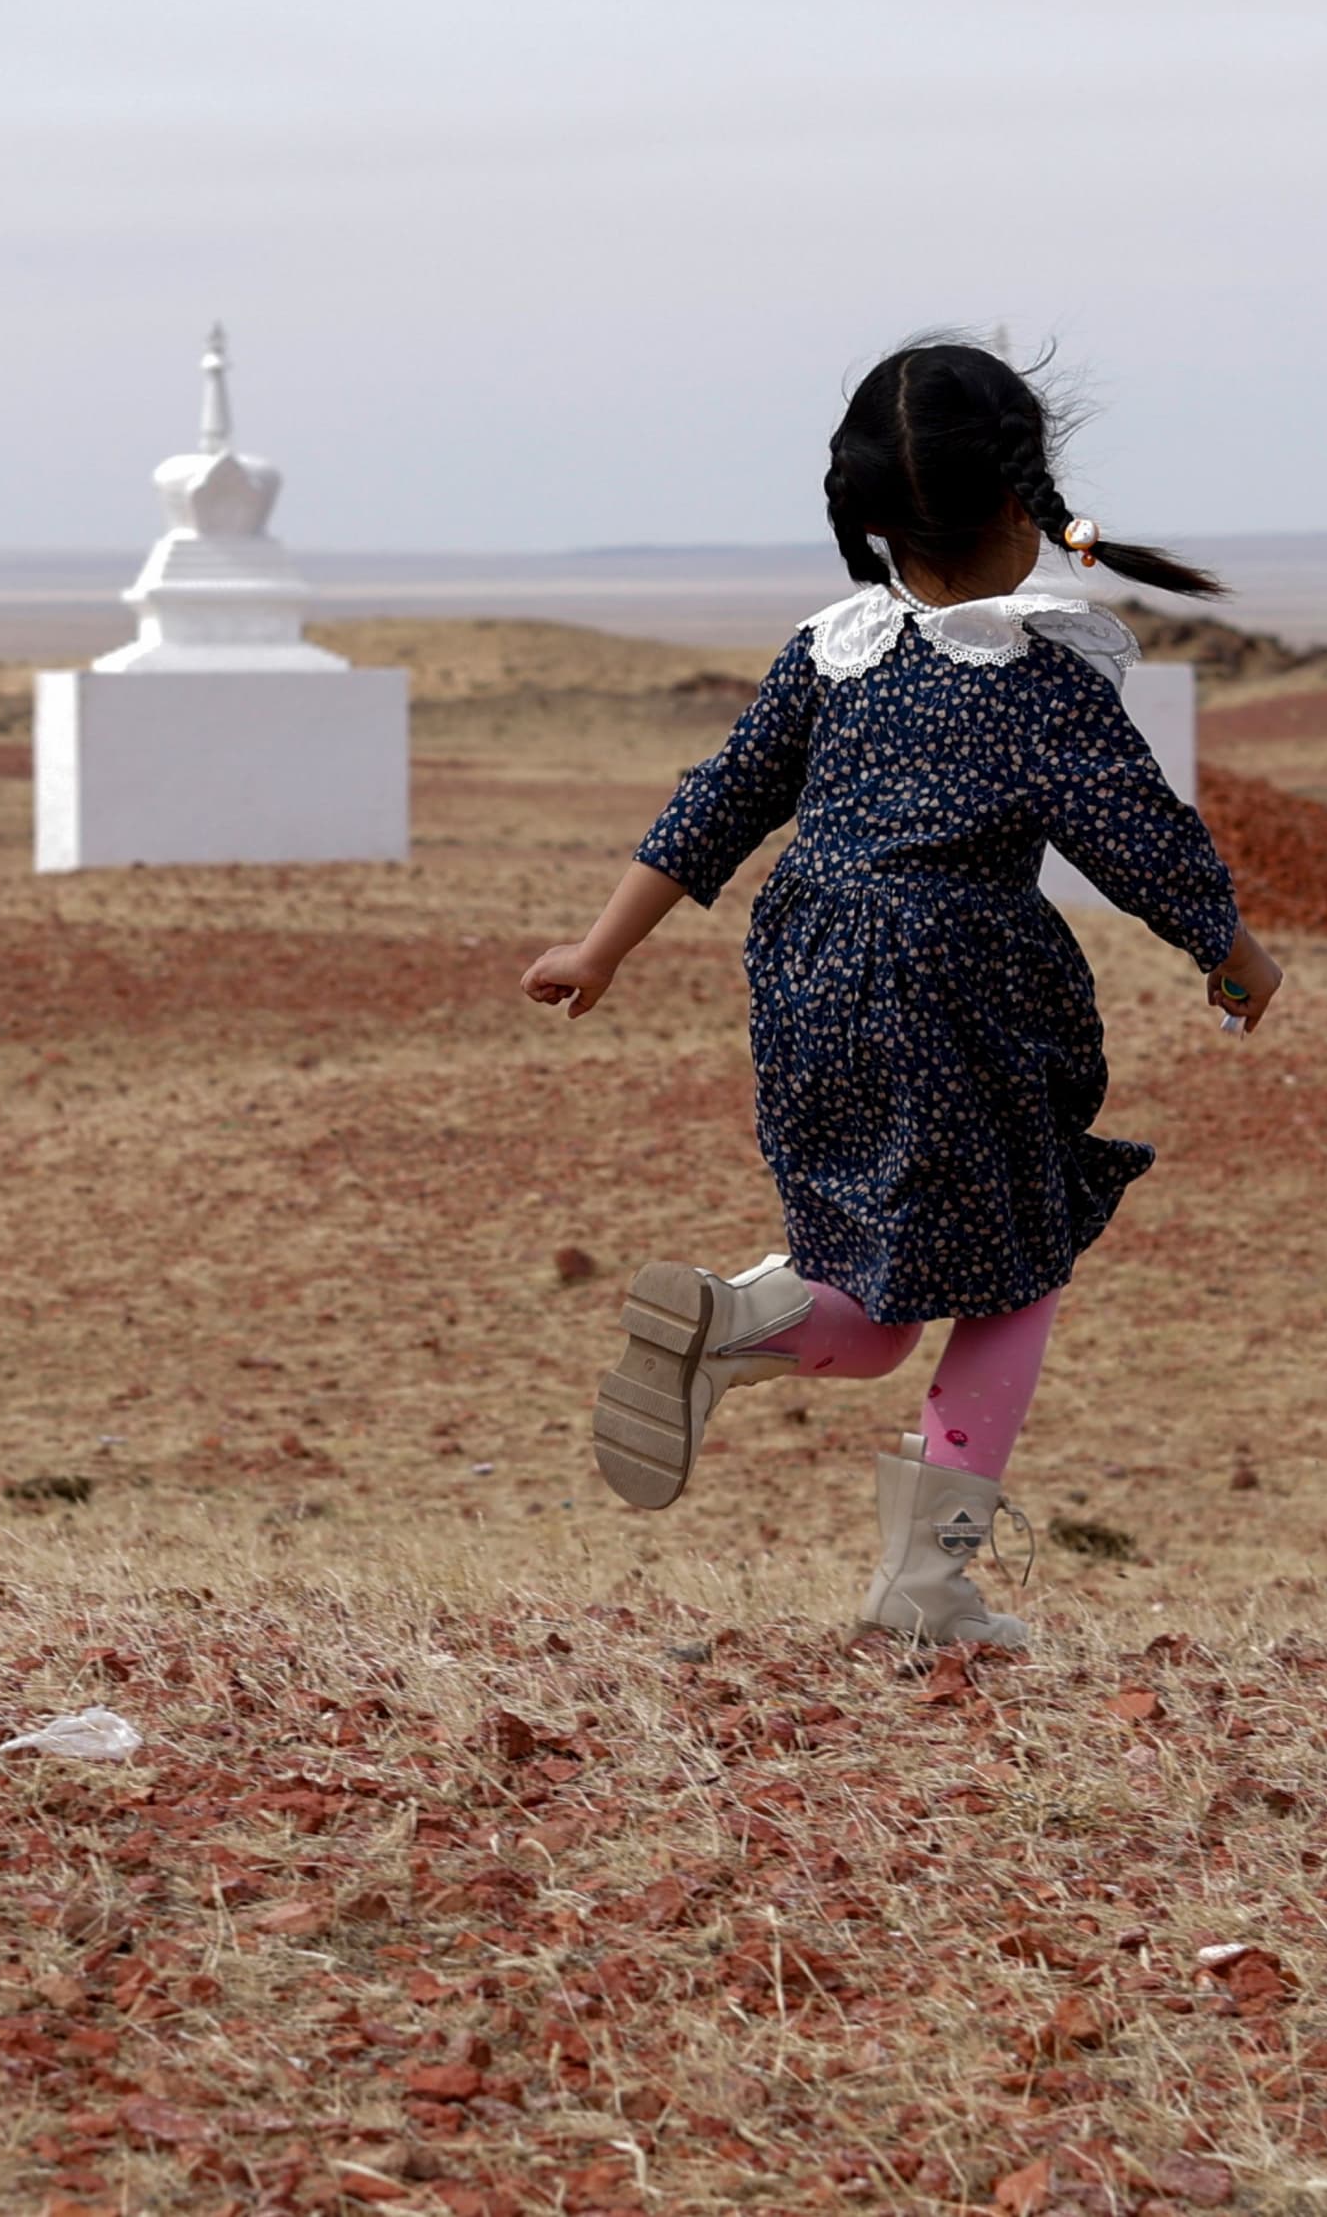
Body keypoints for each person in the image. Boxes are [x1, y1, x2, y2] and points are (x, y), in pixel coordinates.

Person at [522, 339, 1283, 1647]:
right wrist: (1232, 951)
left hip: (810, 979)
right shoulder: (1040, 670)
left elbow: (718, 800)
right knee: (1017, 1277)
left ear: (870, 517)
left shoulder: (833, 653)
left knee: (871, 1307)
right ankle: (927, 1586)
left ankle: (742, 1319)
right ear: (1023, 506)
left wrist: (601, 947)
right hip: (964, 988)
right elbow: (1134, 831)